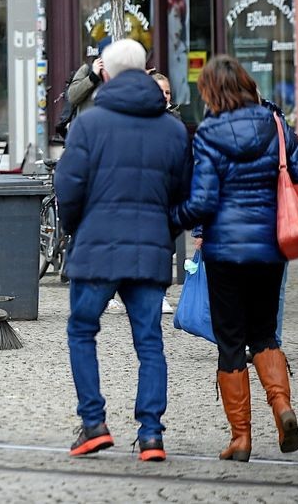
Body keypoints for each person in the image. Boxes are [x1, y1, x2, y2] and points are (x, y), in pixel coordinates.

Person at [55, 38, 190, 462]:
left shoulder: (90, 125)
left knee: (81, 330)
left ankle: (93, 423)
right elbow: (183, 194)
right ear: (146, 70)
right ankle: (151, 434)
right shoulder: (172, 129)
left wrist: (78, 230)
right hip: (150, 248)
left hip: (97, 245)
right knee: (149, 342)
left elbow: (68, 189)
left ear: (106, 74)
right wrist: (162, 228)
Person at [171, 56, 298, 460]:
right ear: (247, 84)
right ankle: (282, 407)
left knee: (230, 341)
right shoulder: (277, 125)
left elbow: (204, 200)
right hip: (270, 247)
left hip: (225, 252)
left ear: (210, 91)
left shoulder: (208, 133)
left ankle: (241, 439)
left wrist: (173, 217)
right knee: (264, 333)